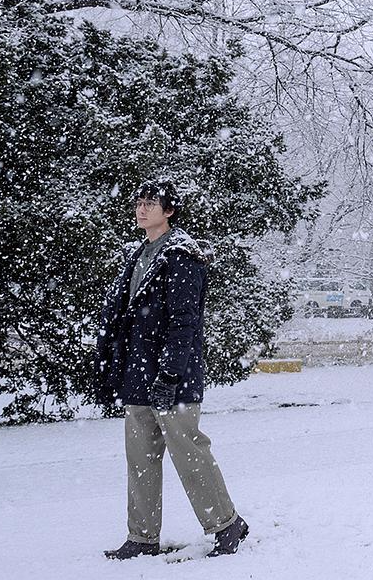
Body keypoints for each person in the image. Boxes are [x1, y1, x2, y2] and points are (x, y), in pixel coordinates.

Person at [95, 180, 248, 560]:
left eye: (152, 204)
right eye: (139, 203)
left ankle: (227, 526)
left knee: (189, 453)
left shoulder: (182, 256)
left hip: (173, 377)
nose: (142, 209)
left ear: (170, 211)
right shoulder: (139, 255)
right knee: (140, 459)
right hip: (138, 375)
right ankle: (142, 538)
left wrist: (169, 374)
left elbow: (185, 322)